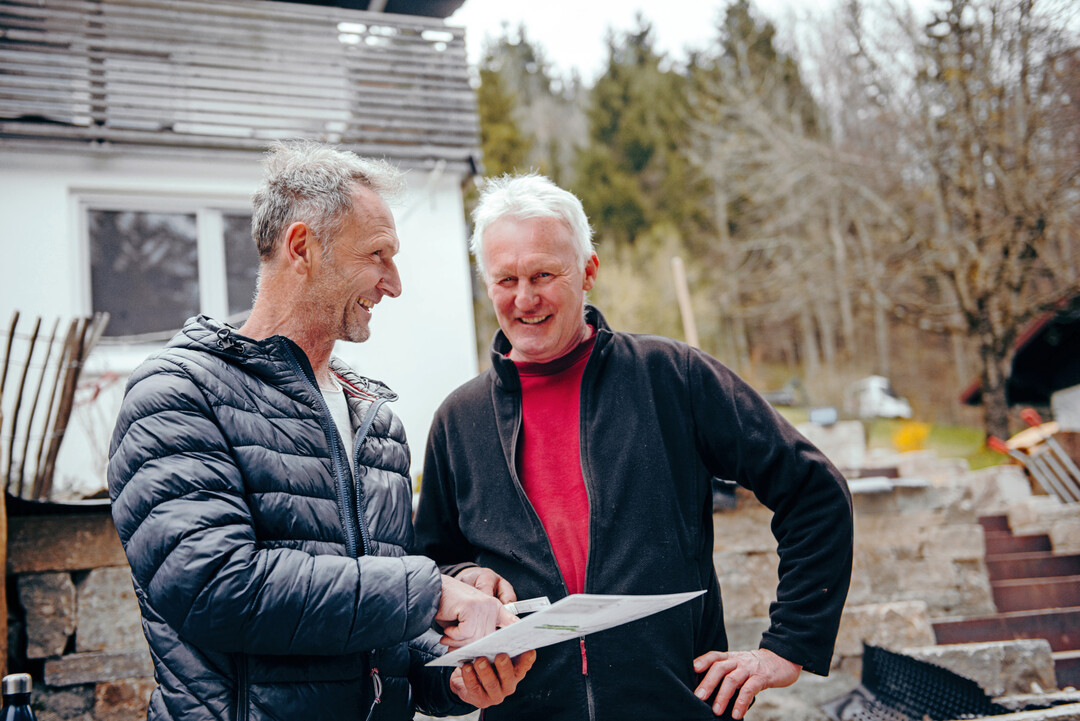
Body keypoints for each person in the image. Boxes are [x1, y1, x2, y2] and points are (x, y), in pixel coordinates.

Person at [107, 141, 534, 721]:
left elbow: (384, 635)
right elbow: (214, 585)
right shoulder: (178, 393)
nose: (394, 283)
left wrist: (456, 674)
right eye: (377, 254)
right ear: (302, 247)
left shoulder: (375, 421)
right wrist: (430, 592)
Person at [413, 174, 854, 721]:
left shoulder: (673, 378)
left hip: (677, 705)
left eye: (543, 274)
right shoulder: (459, 419)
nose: (524, 298)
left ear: (588, 271)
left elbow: (814, 492)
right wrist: (462, 580)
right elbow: (427, 568)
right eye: (505, 280)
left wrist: (788, 646)